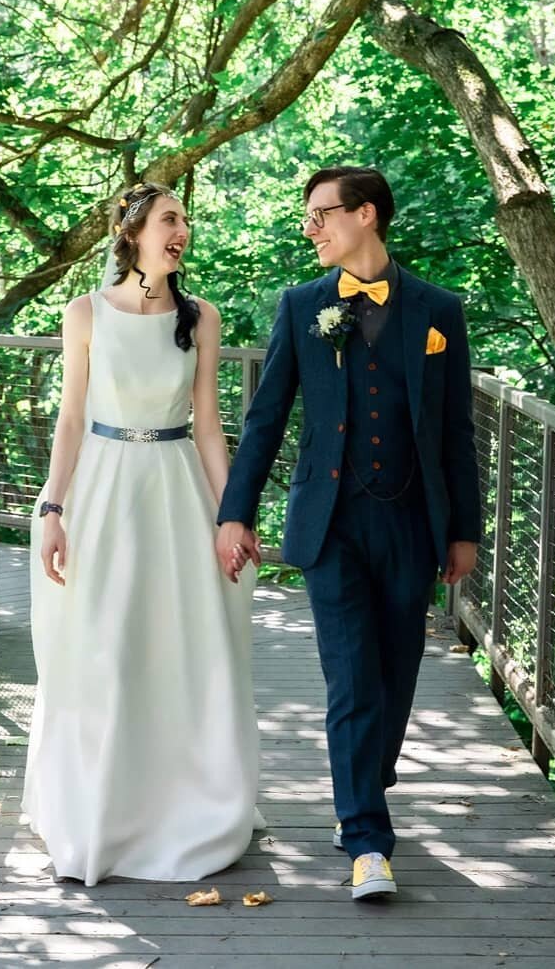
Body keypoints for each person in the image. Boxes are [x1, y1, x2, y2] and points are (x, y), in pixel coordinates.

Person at [216, 166, 481, 900]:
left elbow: (456, 431)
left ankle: (367, 776)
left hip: (412, 522)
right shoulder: (302, 305)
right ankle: (367, 838)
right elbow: (265, 417)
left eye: (320, 215)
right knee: (353, 679)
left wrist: (465, 530)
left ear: (365, 215)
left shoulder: (438, 311)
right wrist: (235, 512)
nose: (311, 229)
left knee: (396, 678)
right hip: (329, 524)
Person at [22, 181, 259, 884]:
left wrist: (232, 514)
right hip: (102, 488)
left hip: (176, 487)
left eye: (184, 219)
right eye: (168, 219)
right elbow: (69, 420)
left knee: (183, 645)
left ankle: (185, 802)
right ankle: (101, 807)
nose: (181, 230)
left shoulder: (201, 316)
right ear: (132, 234)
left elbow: (211, 428)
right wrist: (53, 509)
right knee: (105, 646)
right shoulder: (84, 311)